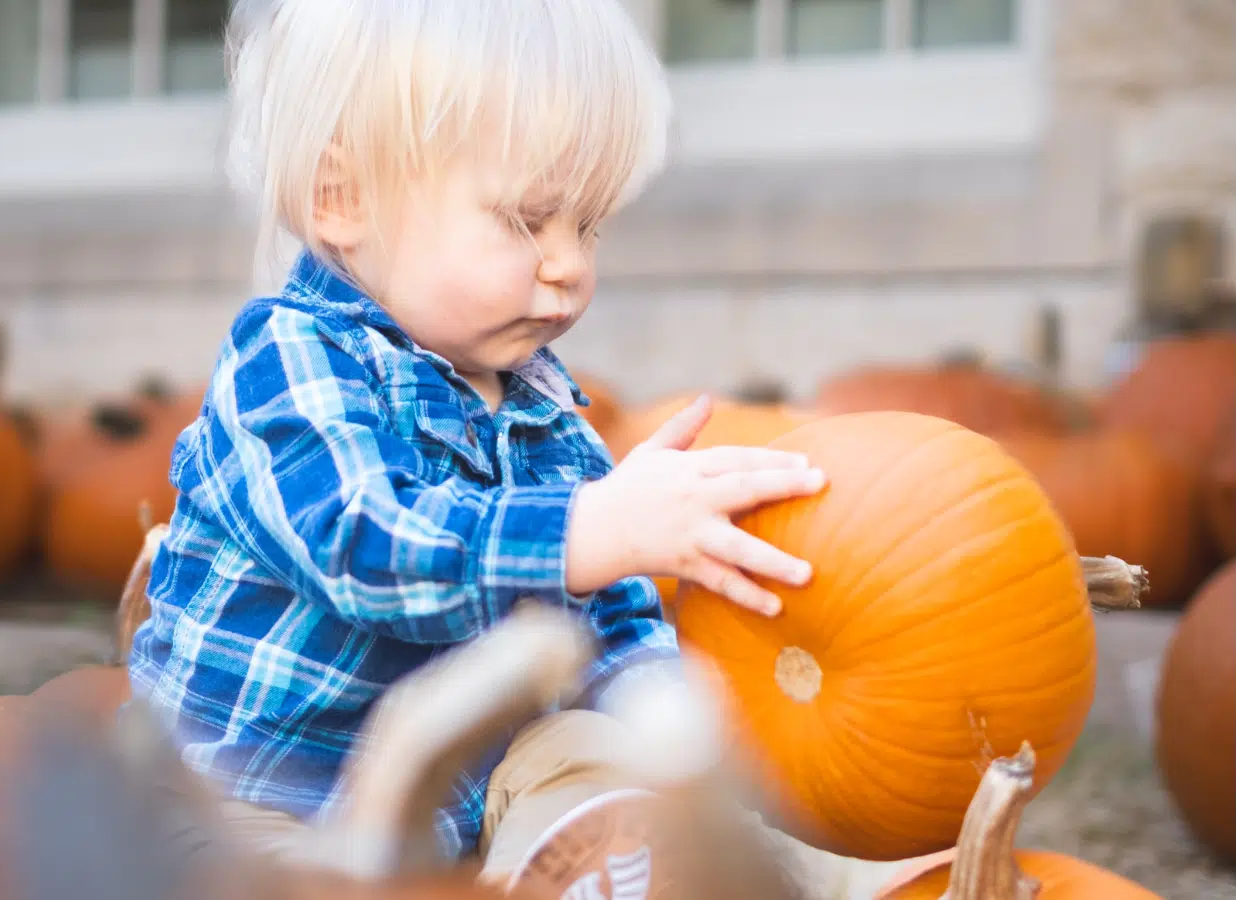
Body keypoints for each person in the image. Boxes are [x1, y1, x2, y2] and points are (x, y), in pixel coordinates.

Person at [126, 0, 828, 891]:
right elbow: (363, 547)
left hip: (468, 802)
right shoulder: (287, 359)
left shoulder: (540, 401)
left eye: (590, 225)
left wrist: (692, 729)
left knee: (589, 742)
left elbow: (607, 623)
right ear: (342, 201)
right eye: (528, 219)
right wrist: (587, 531)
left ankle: (648, 858)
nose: (568, 263)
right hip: (256, 805)